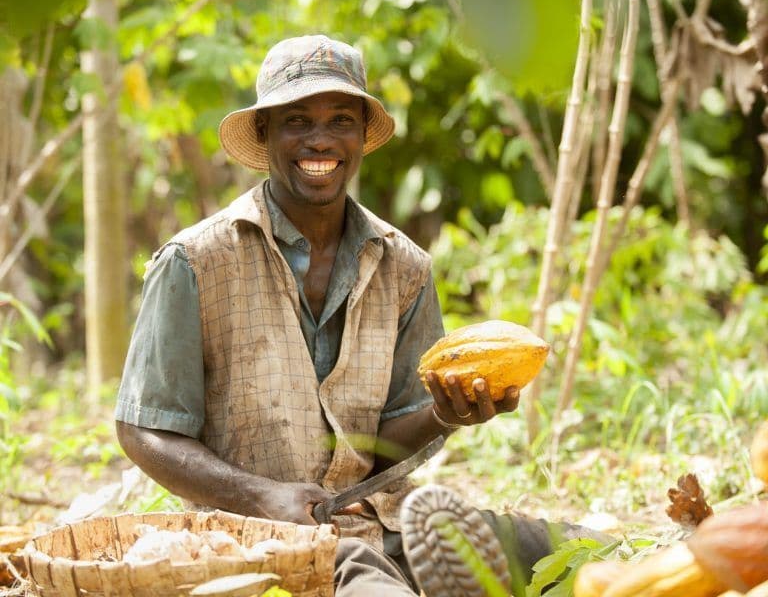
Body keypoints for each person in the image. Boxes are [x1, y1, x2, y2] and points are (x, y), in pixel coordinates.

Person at [115, 34, 607, 597]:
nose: (320, 140)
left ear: (361, 138)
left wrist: (447, 413)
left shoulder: (405, 267)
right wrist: (260, 495)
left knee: (583, 554)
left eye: (340, 120)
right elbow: (143, 428)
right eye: (297, 121)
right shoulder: (196, 262)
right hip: (259, 541)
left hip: (387, 523)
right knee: (366, 582)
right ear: (265, 133)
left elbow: (386, 445)